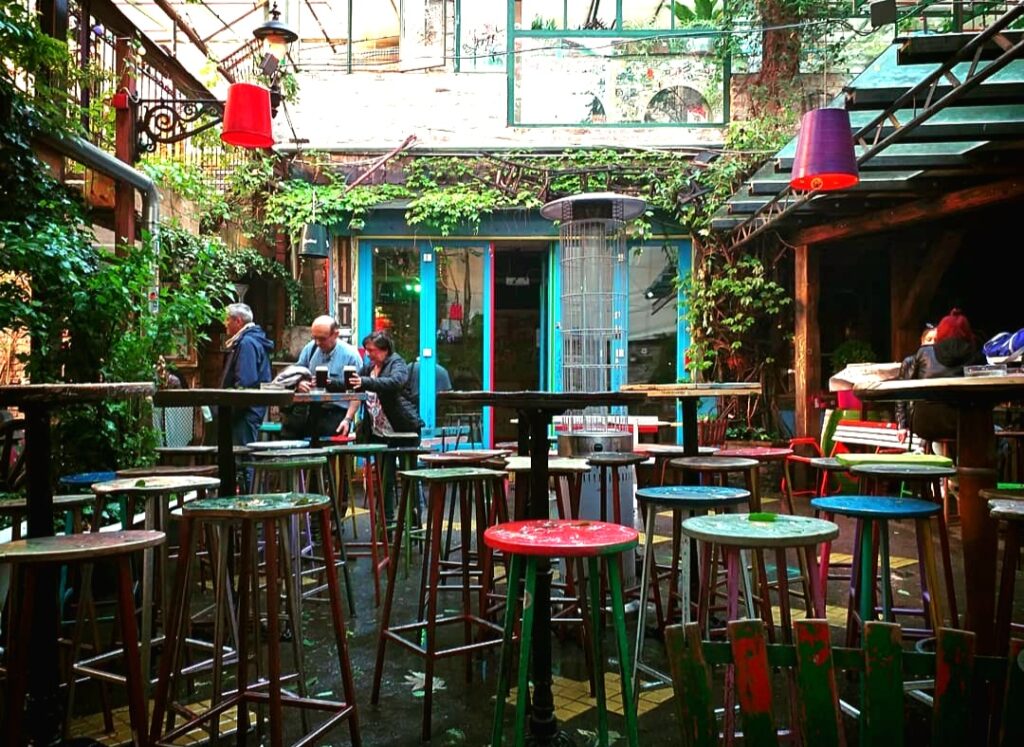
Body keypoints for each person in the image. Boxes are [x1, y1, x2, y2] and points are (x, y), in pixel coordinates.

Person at [344, 331, 424, 520]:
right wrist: (330, 383)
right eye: (366, 350)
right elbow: (354, 384)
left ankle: (413, 519)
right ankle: (386, 523)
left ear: (384, 350)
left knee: (408, 478)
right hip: (380, 433)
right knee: (384, 480)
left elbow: (395, 382)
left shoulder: (397, 363)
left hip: (404, 430)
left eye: (371, 350)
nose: (368, 354)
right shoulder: (369, 367)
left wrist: (364, 381)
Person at [902, 308, 984, 445]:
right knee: (985, 426)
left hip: (924, 423)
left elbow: (908, 387)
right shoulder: (976, 355)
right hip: (962, 423)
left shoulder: (924, 353)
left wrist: (903, 423)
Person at [282, 315, 363, 439]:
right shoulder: (310, 349)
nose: (318, 343)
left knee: (328, 450)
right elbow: (296, 372)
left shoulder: (350, 356)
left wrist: (348, 419)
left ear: (335, 334)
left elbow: (357, 391)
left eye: (322, 339)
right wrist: (299, 383)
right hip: (310, 410)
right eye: (314, 338)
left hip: (335, 411)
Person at [220, 302, 273, 446]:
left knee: (243, 456)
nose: (225, 324)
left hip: (245, 410)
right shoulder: (246, 341)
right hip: (248, 408)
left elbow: (246, 380)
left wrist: (234, 405)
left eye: (227, 319)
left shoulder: (247, 343)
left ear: (238, 321)